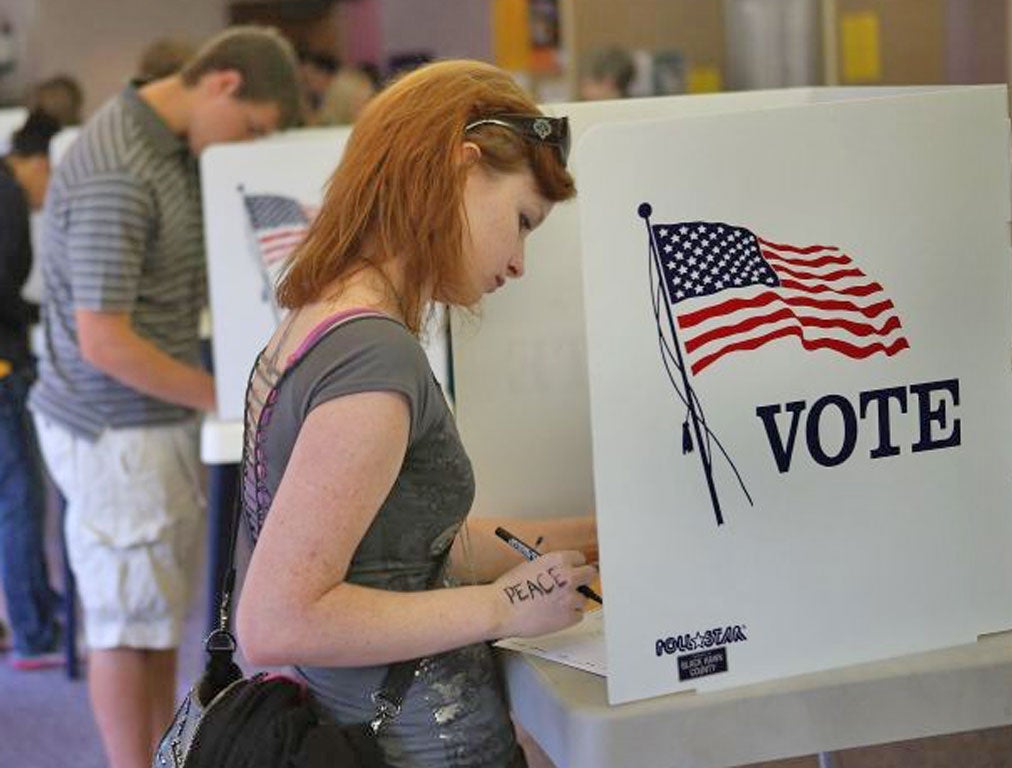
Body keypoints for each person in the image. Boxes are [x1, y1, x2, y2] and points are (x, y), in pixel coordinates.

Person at [234, 59, 597, 768]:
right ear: (460, 170)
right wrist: (502, 608)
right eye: (521, 221)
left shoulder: (323, 318)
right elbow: (277, 619)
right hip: (413, 743)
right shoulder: (376, 357)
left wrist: (594, 537)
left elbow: (397, 550)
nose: (519, 262)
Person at [29, 26, 301, 768]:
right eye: (249, 127)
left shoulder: (169, 154)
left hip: (149, 423)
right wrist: (231, 396)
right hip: (114, 432)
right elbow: (104, 340)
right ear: (222, 84)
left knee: (152, 625)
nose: (242, 145)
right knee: (124, 627)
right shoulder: (121, 166)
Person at [0, 109, 62, 671]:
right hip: (1, 366)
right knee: (20, 503)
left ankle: (38, 611)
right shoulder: (10, 194)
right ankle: (35, 633)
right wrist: (46, 311)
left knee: (16, 501)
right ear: (38, 163)